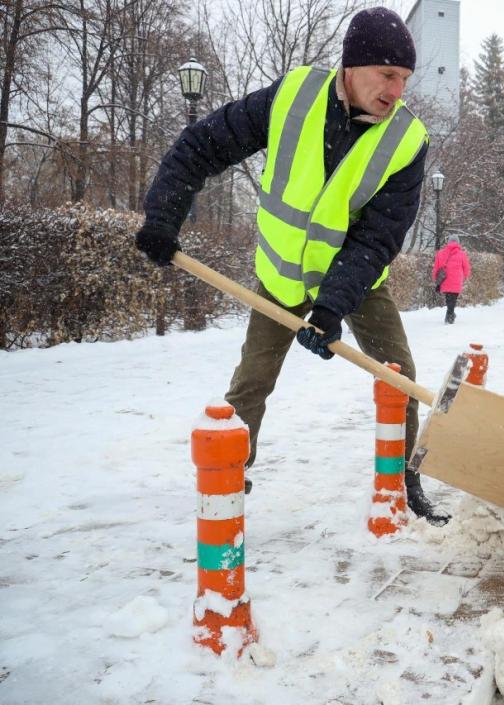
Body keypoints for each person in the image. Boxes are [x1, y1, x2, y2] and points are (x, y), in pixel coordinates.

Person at [133, 7, 447, 523]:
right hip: (280, 275)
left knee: (397, 376)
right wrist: (164, 215)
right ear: (352, 65)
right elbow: (202, 145)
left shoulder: (408, 141)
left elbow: (376, 239)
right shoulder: (293, 95)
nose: (397, 91)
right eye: (388, 75)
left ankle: (403, 477)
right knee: (253, 377)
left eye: (405, 80)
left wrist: (331, 308)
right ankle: (231, 470)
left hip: (357, 282)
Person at [432, 234, 471, 324]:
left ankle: (450, 314)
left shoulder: (440, 253)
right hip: (457, 280)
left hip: (444, 279)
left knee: (448, 298)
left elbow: (436, 268)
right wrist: (465, 276)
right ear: (458, 242)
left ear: (448, 242)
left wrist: (435, 278)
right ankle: (449, 316)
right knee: (453, 298)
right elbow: (466, 268)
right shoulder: (462, 254)